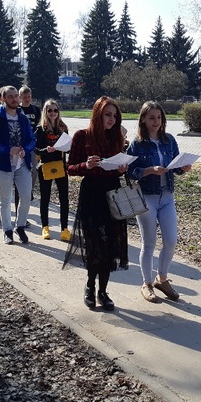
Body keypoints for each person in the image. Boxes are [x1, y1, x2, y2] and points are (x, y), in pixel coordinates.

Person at [62, 96, 129, 311]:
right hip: (92, 193)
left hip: (112, 192)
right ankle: (90, 286)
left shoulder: (117, 137)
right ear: (97, 114)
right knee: (95, 243)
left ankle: (103, 291)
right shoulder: (82, 136)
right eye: (107, 115)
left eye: (114, 116)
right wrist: (86, 165)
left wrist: (122, 168)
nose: (111, 119)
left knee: (110, 243)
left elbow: (118, 165)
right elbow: (70, 168)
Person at [125, 101, 191, 303]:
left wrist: (183, 168)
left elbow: (175, 166)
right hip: (147, 198)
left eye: (159, 117)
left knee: (170, 241)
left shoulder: (169, 140)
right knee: (149, 243)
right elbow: (129, 171)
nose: (156, 121)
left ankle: (162, 279)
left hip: (167, 197)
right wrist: (149, 171)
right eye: (151, 118)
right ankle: (147, 284)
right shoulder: (137, 144)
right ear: (143, 119)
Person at [0, 85, 36, 244]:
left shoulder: (23, 118)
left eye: (16, 96)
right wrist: (7, 149)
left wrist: (26, 149)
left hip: (22, 164)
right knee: (5, 200)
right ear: (2, 99)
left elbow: (32, 139)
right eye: (10, 96)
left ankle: (20, 226)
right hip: (4, 165)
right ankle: (7, 230)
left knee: (26, 197)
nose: (14, 99)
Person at [33, 99, 71, 241]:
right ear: (45, 112)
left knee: (64, 198)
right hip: (45, 166)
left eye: (55, 110)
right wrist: (45, 150)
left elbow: (68, 146)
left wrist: (68, 148)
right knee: (45, 197)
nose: (53, 113)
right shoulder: (40, 129)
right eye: (50, 110)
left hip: (60, 165)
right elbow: (35, 149)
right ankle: (45, 227)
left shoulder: (63, 128)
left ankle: (64, 228)